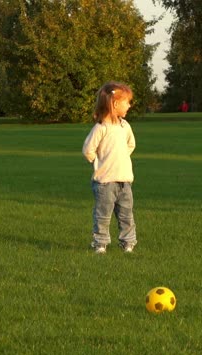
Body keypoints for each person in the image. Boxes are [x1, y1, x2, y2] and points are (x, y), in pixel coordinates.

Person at [82, 81, 137, 254]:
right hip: (105, 182)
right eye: (126, 101)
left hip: (124, 182)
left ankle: (127, 242)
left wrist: (120, 158)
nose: (129, 105)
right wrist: (101, 163)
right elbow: (88, 150)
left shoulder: (124, 126)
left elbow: (131, 145)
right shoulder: (101, 128)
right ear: (114, 104)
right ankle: (100, 243)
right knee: (103, 215)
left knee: (126, 215)